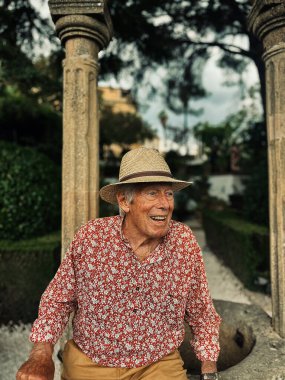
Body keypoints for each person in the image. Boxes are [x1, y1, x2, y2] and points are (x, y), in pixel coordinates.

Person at [16, 147, 221, 380]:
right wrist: (41, 355)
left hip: (158, 363)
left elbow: (201, 311)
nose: (165, 204)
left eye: (169, 193)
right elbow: (58, 299)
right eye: (153, 193)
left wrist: (209, 371)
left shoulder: (183, 241)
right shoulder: (91, 238)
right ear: (124, 201)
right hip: (90, 361)